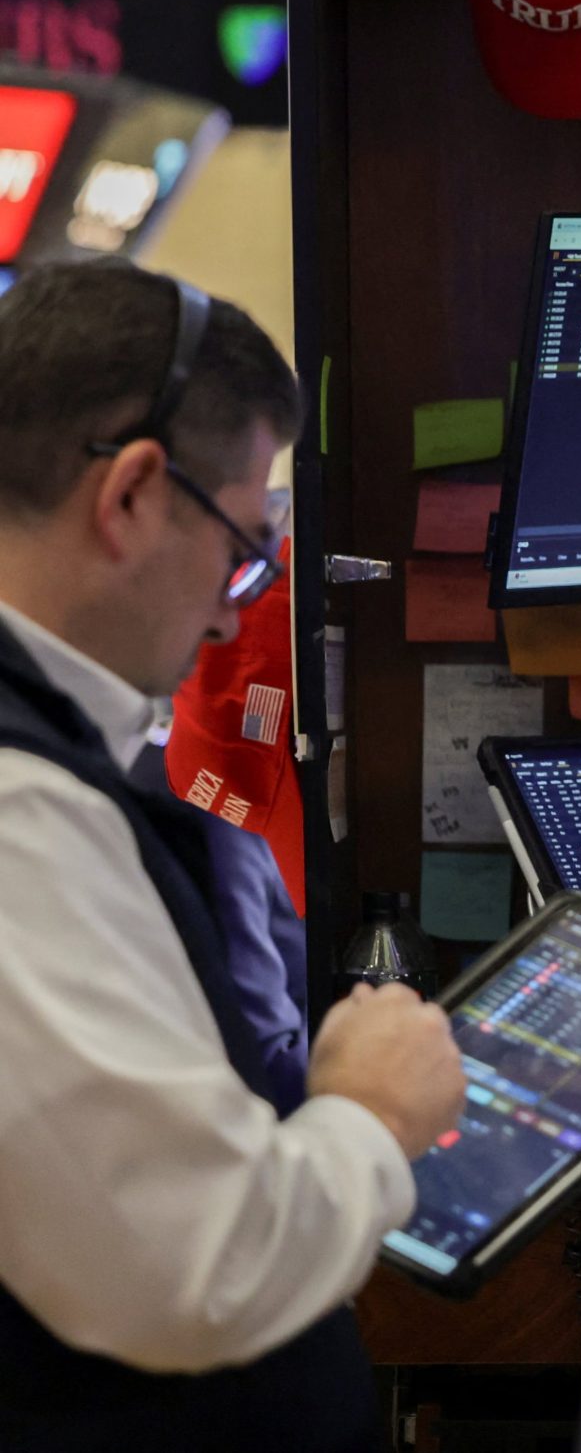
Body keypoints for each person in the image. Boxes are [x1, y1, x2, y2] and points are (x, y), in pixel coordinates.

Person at [0, 262, 465, 1450]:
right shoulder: (20, 817)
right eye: (242, 553)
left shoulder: (58, 761)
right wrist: (371, 1108)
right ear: (131, 494)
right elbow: (203, 1265)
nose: (228, 612)